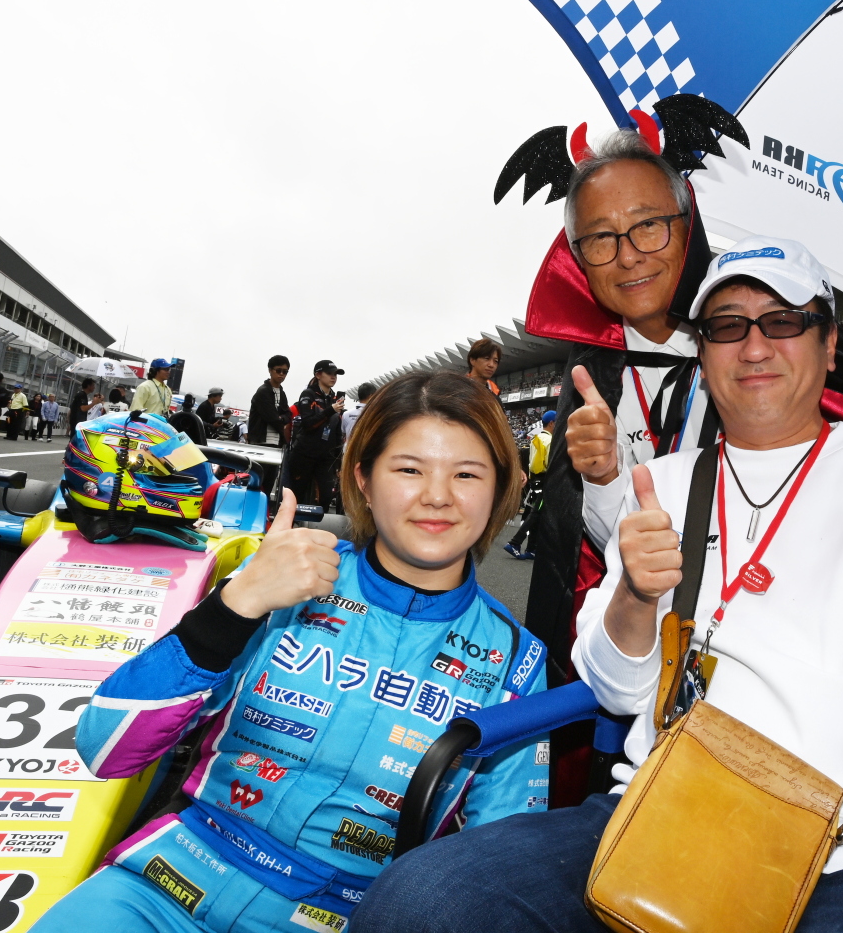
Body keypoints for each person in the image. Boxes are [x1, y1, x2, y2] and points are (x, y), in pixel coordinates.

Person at [353, 239, 843, 933]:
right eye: (727, 326)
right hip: (662, 810)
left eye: (783, 321)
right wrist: (635, 596)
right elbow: (618, 690)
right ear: (704, 355)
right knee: (418, 904)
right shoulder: (666, 483)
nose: (754, 347)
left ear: (830, 345)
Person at [33, 372, 549, 933]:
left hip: (350, 917)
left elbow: (500, 868)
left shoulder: (516, 660)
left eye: (466, 474)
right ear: (363, 479)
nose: (437, 496)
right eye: (409, 469)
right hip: (163, 885)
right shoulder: (278, 578)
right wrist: (237, 604)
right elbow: (105, 750)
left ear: (501, 489)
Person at [290, 360, 345, 506]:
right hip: (305, 454)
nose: (333, 377)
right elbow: (308, 424)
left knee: (326, 497)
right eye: (330, 373)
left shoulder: (335, 398)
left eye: (336, 374)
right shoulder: (308, 394)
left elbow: (337, 431)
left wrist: (338, 461)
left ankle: (318, 521)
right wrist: (330, 410)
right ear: (318, 375)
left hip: (325, 457)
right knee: (296, 496)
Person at [505, 410, 556, 560]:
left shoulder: (537, 438)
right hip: (545, 479)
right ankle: (515, 542)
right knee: (536, 513)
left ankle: (531, 548)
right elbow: (550, 463)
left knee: (537, 513)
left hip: (535, 479)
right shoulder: (550, 440)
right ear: (552, 423)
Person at [249, 355, 291, 447]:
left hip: (277, 441)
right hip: (261, 441)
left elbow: (288, 414)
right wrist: (281, 419)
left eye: (285, 371)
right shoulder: (263, 391)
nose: (281, 374)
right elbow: (272, 418)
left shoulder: (282, 393)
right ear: (270, 370)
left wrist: (281, 418)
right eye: (278, 370)